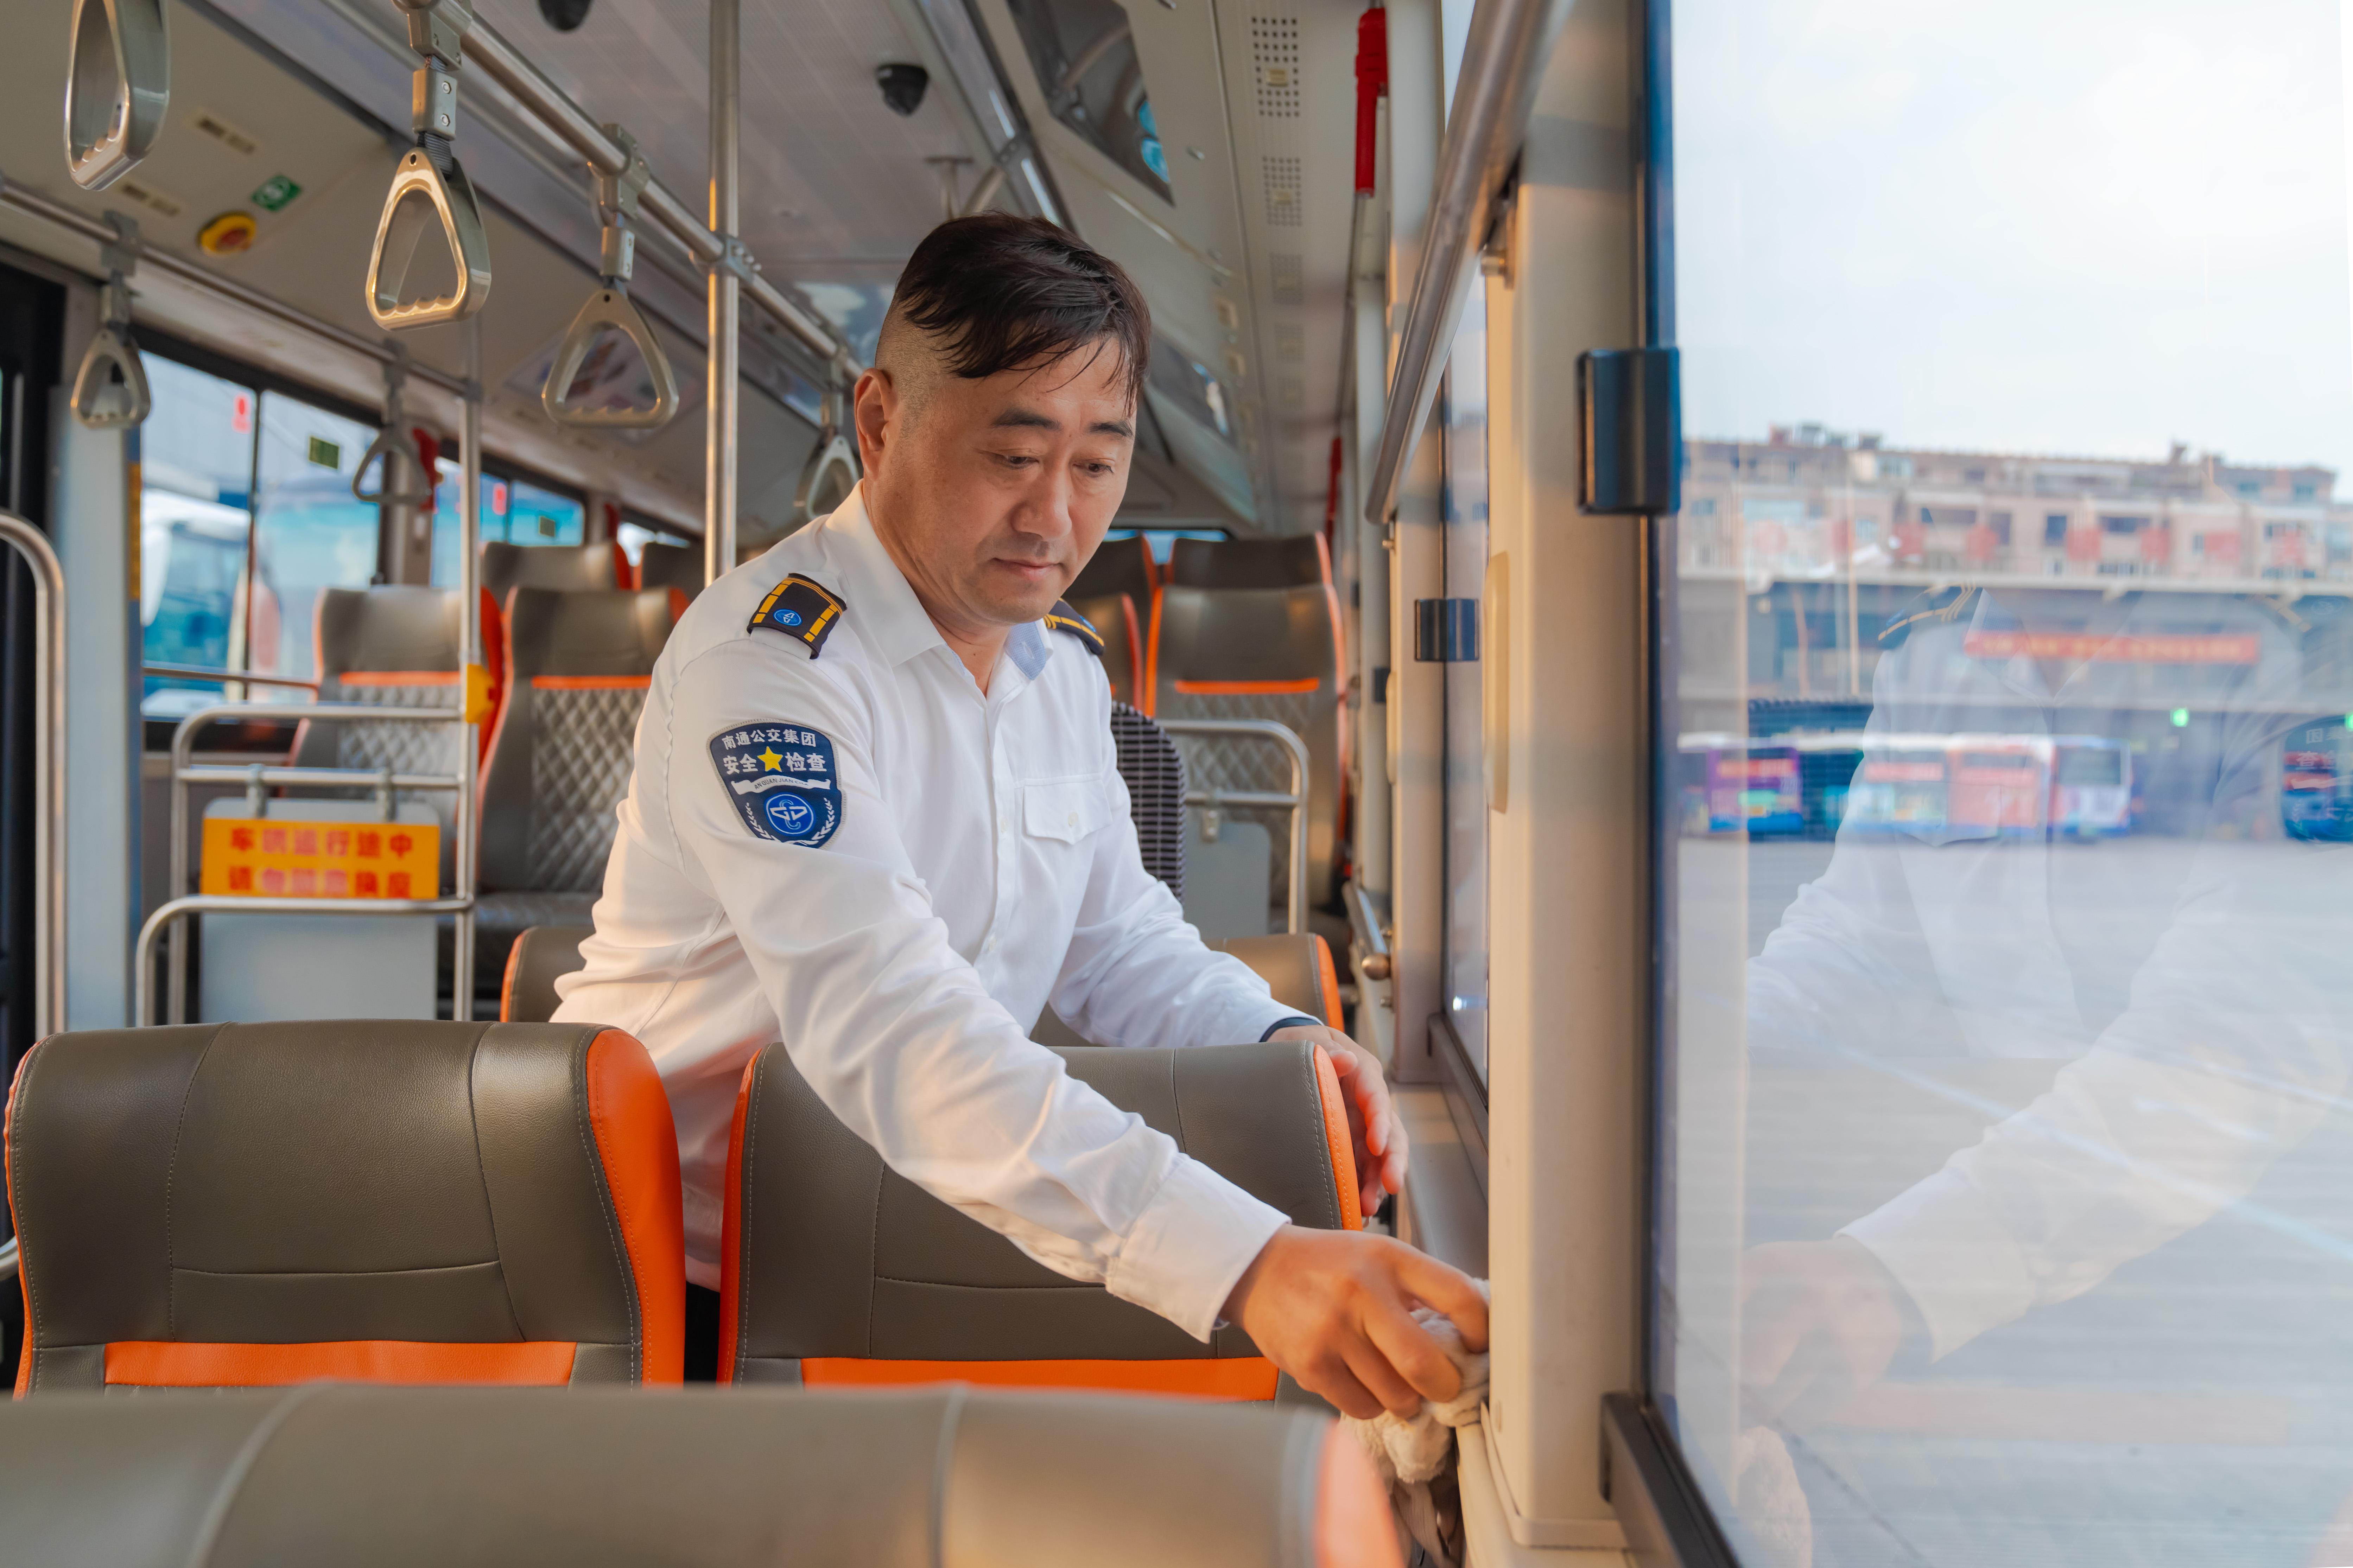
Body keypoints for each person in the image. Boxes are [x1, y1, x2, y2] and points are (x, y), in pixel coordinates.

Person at [555, 213, 1486, 1414]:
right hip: (668, 1268)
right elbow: (889, 1021)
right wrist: (1248, 1262)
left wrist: (1272, 1035)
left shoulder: (1061, 672)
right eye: (1012, 455)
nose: (1053, 517)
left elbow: (1118, 938)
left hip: (893, 1210)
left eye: (1096, 466)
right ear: (880, 420)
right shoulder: (771, 666)